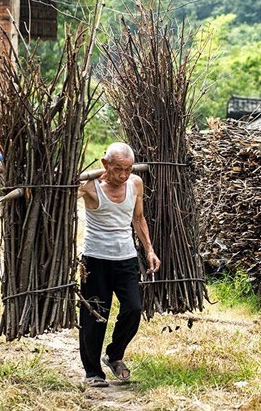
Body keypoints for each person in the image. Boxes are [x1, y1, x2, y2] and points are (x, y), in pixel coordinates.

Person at [77, 142, 160, 388]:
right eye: (117, 169)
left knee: (134, 308)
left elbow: (138, 217)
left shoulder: (135, 184)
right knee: (94, 316)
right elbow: (61, 192)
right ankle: (93, 372)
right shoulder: (91, 187)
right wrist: (80, 178)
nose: (123, 175)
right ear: (105, 164)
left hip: (126, 259)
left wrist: (149, 250)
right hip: (95, 259)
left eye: (128, 169)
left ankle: (114, 355)